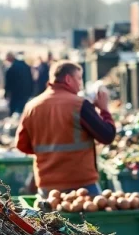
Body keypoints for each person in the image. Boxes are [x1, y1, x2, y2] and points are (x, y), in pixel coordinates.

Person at [15, 61, 116, 197]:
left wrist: (49, 155)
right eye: (79, 78)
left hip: (47, 186)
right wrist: (104, 110)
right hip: (81, 185)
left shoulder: (31, 107)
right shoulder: (79, 104)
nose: (80, 84)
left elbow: (21, 145)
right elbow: (107, 135)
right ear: (68, 79)